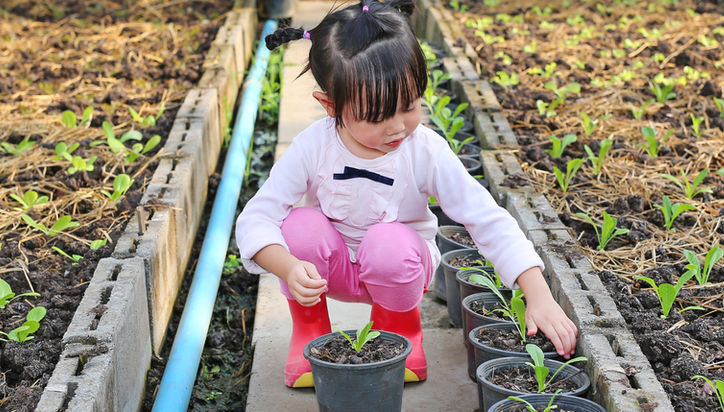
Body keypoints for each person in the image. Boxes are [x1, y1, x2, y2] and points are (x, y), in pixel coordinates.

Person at [235, 0, 578, 388]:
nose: (398, 127)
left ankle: (399, 332)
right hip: (324, 274)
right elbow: (256, 218)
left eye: (410, 106)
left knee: (390, 241)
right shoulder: (312, 146)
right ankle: (310, 333)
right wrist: (287, 267)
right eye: (378, 116)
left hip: (398, 271)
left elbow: (485, 216)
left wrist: (538, 292)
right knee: (298, 228)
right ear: (330, 106)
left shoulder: (425, 149)